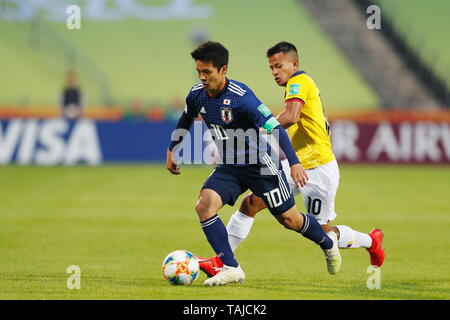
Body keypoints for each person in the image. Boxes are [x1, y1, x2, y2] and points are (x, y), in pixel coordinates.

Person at [198, 41, 385, 278]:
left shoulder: (299, 81)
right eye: (271, 68)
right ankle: (223, 263)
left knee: (325, 233)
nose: (275, 72)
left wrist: (258, 129)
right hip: (295, 165)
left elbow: (291, 116)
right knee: (250, 204)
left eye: (279, 66)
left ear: (294, 64)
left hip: (318, 169)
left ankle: (371, 241)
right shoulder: (296, 85)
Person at [166, 41, 342, 286]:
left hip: (260, 166)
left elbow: (276, 127)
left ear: (223, 69)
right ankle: (231, 267)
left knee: (289, 220)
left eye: (207, 72)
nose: (202, 77)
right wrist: (172, 149)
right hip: (230, 166)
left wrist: (293, 163)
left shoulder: (242, 98)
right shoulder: (196, 94)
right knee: (204, 205)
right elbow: (185, 118)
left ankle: (327, 242)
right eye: (199, 71)